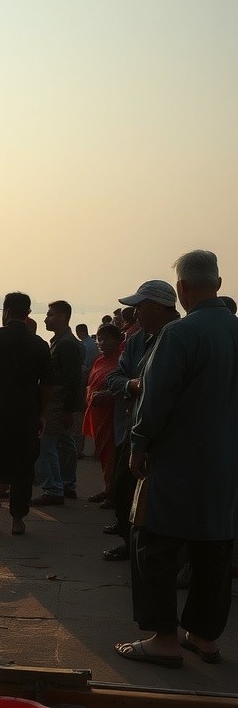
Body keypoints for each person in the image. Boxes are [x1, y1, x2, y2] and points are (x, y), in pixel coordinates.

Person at [116, 250, 238, 668]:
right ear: (218, 284)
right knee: (216, 547)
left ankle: (163, 637)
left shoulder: (180, 335)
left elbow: (155, 402)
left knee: (152, 544)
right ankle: (203, 636)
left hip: (178, 461)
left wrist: (138, 443)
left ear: (182, 288)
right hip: (227, 465)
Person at [0, 292, 54, 536]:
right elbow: (48, 384)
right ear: (27, 313)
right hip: (27, 411)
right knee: (23, 463)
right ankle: (18, 520)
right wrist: (40, 410)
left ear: (5, 311)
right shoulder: (39, 344)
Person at [105, 280, 179, 561]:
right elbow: (115, 378)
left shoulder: (180, 336)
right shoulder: (136, 340)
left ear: (158, 307)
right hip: (136, 427)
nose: (134, 314)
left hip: (169, 433)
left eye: (139, 307)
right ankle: (130, 541)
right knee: (123, 488)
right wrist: (133, 386)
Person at [32, 301, 83, 505]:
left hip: (58, 403)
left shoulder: (66, 344)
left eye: (50, 315)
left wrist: (68, 409)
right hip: (61, 402)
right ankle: (67, 484)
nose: (46, 319)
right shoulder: (61, 341)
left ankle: (53, 488)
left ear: (63, 317)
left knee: (46, 444)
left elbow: (73, 379)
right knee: (65, 443)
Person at [82, 325, 121, 499]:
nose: (102, 343)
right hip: (96, 412)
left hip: (112, 414)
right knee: (102, 453)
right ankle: (108, 487)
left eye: (106, 339)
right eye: (99, 339)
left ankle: (112, 491)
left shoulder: (121, 360)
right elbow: (91, 382)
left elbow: (123, 386)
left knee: (111, 454)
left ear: (117, 340)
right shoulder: (99, 360)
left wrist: (106, 395)